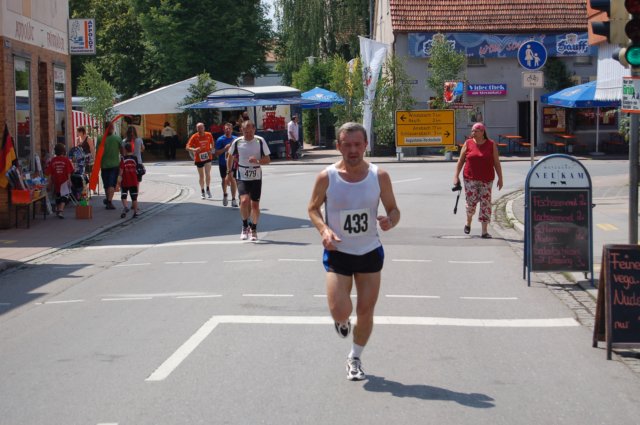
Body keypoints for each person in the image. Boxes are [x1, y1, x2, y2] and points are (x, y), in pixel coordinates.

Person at [307, 122, 400, 381]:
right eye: (347, 145)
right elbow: (312, 209)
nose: (353, 150)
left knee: (365, 311)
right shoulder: (327, 177)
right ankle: (342, 321)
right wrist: (324, 230)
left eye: (358, 144)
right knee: (339, 310)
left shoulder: (379, 176)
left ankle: (355, 357)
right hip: (338, 251)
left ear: (365, 145)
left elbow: (394, 210)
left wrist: (390, 221)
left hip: (369, 251)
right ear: (338, 146)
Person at [453, 122, 504, 238]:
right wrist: (456, 176)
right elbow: (460, 161)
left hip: (487, 179)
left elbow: (496, 162)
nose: (473, 133)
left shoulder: (491, 144)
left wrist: (500, 178)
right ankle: (468, 221)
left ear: (482, 132)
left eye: (476, 131)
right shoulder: (468, 143)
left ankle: (484, 231)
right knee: (471, 202)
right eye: (472, 131)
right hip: (470, 178)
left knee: (485, 204)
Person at [227, 120, 271, 241]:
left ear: (254, 130)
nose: (248, 134)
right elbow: (230, 156)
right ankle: (245, 225)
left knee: (255, 205)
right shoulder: (237, 142)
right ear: (242, 130)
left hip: (256, 176)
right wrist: (229, 172)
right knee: (244, 200)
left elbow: (268, 159)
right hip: (242, 175)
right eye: (246, 132)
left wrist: (257, 161)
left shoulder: (260, 141)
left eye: (250, 132)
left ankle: (254, 228)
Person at [186, 122, 214, 199]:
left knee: (207, 173)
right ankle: (202, 191)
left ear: (204, 128)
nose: (200, 129)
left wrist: (211, 149)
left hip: (208, 156)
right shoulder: (194, 136)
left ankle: (208, 188)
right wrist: (194, 149)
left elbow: (212, 143)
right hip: (199, 158)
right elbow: (187, 147)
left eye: (201, 128)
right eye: (198, 128)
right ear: (196, 129)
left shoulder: (209, 135)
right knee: (201, 176)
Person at [45, 143, 74, 219]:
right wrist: (69, 180)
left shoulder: (53, 160)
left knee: (58, 195)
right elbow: (69, 171)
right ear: (63, 151)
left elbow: (50, 173)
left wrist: (49, 183)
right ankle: (61, 210)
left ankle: (58, 209)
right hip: (64, 181)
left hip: (56, 180)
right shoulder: (66, 160)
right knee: (65, 196)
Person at [98, 122, 122, 210]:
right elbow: (122, 151)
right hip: (114, 165)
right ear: (112, 128)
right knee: (112, 184)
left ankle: (108, 201)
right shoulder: (117, 138)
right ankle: (109, 201)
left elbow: (98, 153)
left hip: (104, 165)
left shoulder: (100, 139)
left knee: (106, 184)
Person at [215, 122, 238, 207]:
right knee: (224, 180)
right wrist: (225, 149)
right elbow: (216, 153)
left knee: (233, 180)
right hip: (223, 163)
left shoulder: (235, 139)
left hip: (233, 163)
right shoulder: (220, 139)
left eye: (229, 129)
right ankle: (225, 195)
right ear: (224, 130)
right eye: (226, 129)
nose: (228, 130)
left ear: (232, 130)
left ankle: (233, 199)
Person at [117, 143, 140, 219]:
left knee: (124, 195)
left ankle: (126, 207)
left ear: (125, 150)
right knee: (134, 197)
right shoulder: (135, 158)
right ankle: (135, 212)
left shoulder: (123, 159)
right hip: (134, 180)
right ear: (131, 149)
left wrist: (118, 181)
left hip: (125, 181)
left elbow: (121, 171)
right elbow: (137, 169)